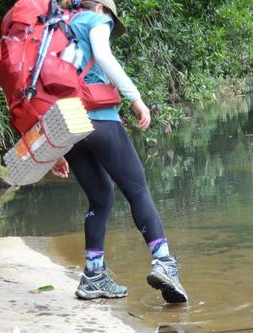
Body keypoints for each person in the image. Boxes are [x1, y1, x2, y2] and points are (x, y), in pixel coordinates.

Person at [51, 0, 188, 303]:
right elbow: (103, 55)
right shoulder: (94, 20)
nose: (111, 26)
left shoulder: (57, 26)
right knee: (138, 190)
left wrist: (54, 145)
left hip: (67, 122)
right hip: (98, 118)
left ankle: (93, 276)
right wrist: (135, 98)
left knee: (101, 198)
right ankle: (164, 262)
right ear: (102, 8)